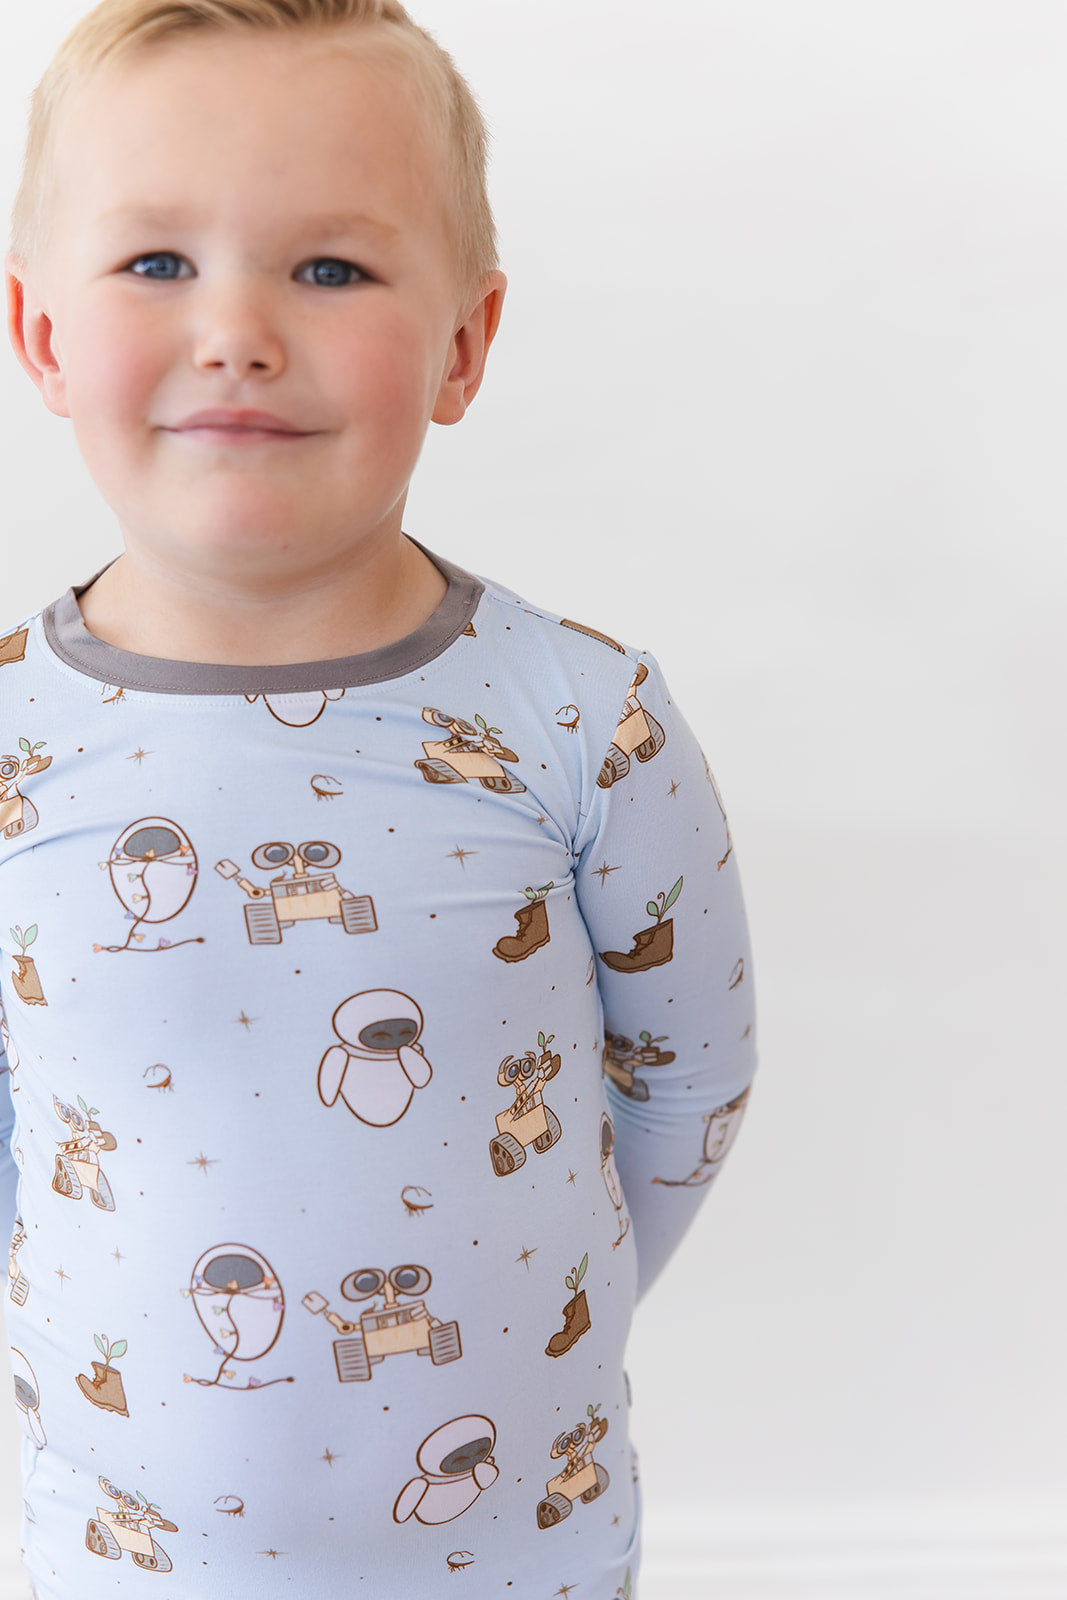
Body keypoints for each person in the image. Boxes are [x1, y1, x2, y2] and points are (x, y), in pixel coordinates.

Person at [0, 2, 757, 1595]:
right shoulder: (11, 739)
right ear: (41, 333)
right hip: (119, 1563)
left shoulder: (586, 723)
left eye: (331, 269)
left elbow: (687, 1083)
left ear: (464, 344)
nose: (236, 331)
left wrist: (540, 1324)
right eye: (157, 262)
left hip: (527, 1556)